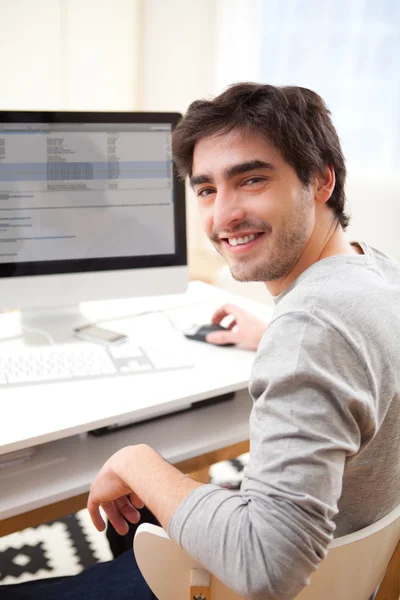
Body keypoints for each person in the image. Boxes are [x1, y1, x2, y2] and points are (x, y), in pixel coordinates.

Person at [3, 82, 400, 600]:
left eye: (252, 179)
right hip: (349, 565)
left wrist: (135, 460)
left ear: (320, 180)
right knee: (144, 502)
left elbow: (266, 566)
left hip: (265, 583)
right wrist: (273, 337)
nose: (222, 215)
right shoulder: (374, 272)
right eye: (207, 189)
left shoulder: (311, 331)